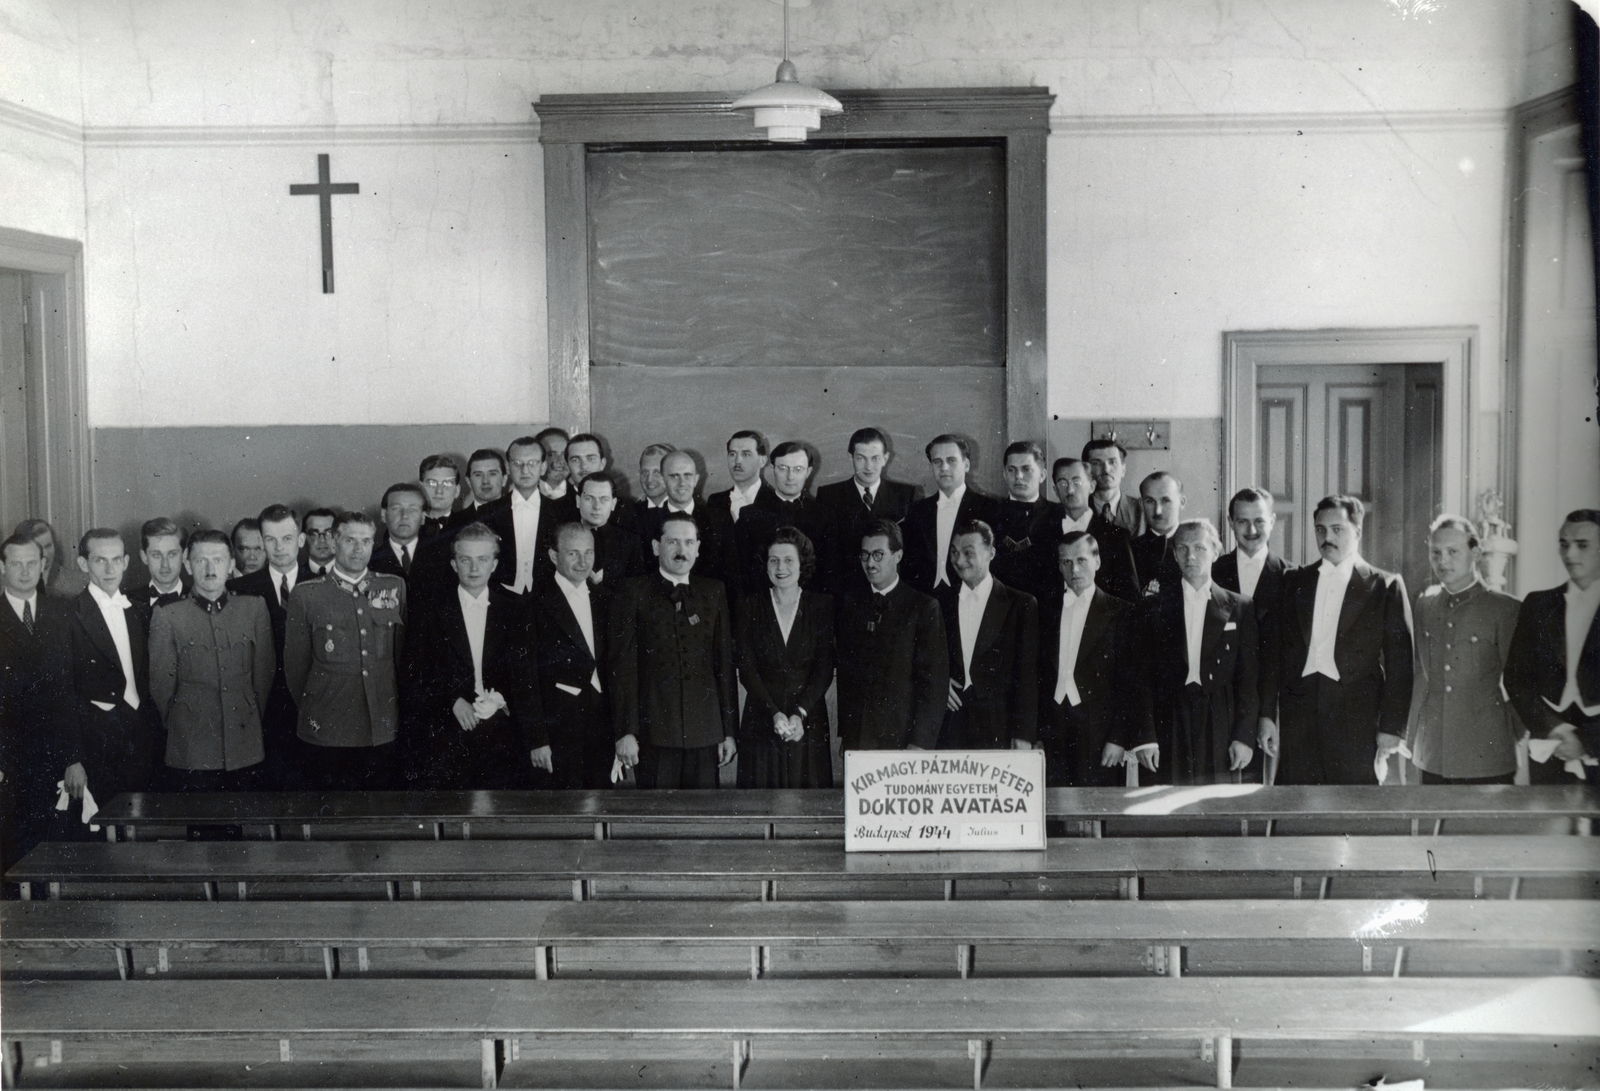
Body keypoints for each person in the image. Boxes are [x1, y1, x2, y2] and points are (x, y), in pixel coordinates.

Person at [1264, 495, 1413, 785]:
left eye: (1337, 529)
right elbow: (1273, 656)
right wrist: (1267, 715)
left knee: (1352, 803)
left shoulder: (1384, 585)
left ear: (1358, 531)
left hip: (1356, 718)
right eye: (1320, 529)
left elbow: (1401, 665)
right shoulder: (1292, 581)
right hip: (1299, 716)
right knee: (1296, 802)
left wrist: (1391, 728)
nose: (1327, 537)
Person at [400, 522, 542, 790]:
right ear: (454, 564)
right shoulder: (430, 610)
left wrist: (501, 699)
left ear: (494, 564)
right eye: (465, 560)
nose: (474, 568)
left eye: (482, 559)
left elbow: (526, 677)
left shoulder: (514, 609)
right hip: (446, 732)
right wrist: (451, 701)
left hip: (501, 732)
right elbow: (413, 673)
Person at [608, 512, 737, 789]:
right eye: (673, 542)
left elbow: (723, 667)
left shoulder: (714, 591)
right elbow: (624, 667)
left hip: (705, 733)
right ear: (656, 547)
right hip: (653, 734)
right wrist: (626, 731)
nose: (682, 550)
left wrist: (728, 732)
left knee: (704, 813)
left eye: (689, 543)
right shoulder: (633, 591)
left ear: (698, 548)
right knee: (656, 813)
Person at [282, 511, 407, 790]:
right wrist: (317, 708)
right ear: (334, 542)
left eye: (366, 541)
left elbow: (400, 656)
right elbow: (296, 667)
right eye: (350, 540)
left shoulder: (393, 586)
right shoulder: (306, 594)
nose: (358, 549)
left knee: (380, 804)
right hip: (328, 723)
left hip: (380, 721)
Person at [147, 530, 274, 791]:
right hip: (192, 746)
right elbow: (161, 687)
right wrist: (182, 725)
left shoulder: (254, 608)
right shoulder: (168, 615)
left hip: (244, 741)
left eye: (218, 560)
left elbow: (263, 676)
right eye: (201, 560)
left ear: (231, 564)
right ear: (188, 565)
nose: (209, 568)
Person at [1405, 515, 1521, 785]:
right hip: (1433, 751)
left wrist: (1509, 734)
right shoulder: (1425, 605)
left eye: (1452, 552)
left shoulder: (1504, 609)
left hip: (1486, 752)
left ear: (1476, 553)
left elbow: (1522, 684)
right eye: (1435, 552)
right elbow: (1421, 677)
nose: (1442, 561)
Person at [1143, 519, 1258, 785]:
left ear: (1216, 552)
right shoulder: (1153, 607)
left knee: (1217, 801)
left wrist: (1243, 736)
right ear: (1174, 555)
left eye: (1199, 548)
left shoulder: (1240, 606)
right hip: (1169, 715)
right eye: (1182, 549)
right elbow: (1142, 676)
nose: (1190, 556)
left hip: (1220, 717)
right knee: (1165, 799)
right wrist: (1146, 737)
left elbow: (1248, 680)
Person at [63, 528, 161, 823]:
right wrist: (72, 758)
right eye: (100, 560)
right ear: (83, 564)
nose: (110, 569)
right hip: (97, 746)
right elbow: (62, 692)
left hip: (142, 739)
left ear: (126, 562)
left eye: (116, 560)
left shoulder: (139, 611)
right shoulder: (68, 615)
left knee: (144, 827)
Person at [1037, 531, 1150, 787]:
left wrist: (1118, 738)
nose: (1074, 569)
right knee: (1054, 801)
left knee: (1098, 802)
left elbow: (1131, 683)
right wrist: (1038, 733)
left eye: (1081, 560)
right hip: (1054, 725)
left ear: (1097, 562)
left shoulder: (1121, 612)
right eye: (1066, 562)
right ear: (1059, 566)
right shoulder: (1045, 609)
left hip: (1099, 729)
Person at [1505, 509, 1600, 787]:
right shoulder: (1538, 604)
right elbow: (1516, 678)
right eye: (1564, 544)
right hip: (1551, 744)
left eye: (1582, 545)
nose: (1570, 554)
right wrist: (1553, 728)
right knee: (1549, 814)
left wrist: (1586, 742)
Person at [834, 519, 948, 751]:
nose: (870, 563)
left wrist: (920, 743)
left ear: (898, 556)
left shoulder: (923, 607)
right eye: (865, 555)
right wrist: (848, 736)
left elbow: (933, 684)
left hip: (903, 741)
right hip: (858, 738)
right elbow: (847, 677)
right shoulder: (851, 605)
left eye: (878, 555)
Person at [735, 527, 835, 788]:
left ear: (802, 564)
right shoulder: (749, 606)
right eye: (774, 560)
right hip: (762, 716)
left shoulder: (821, 606)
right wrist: (774, 713)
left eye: (789, 560)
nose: (781, 568)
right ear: (766, 565)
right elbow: (746, 669)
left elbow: (824, 669)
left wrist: (799, 713)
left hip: (807, 719)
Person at [0, 532, 74, 872]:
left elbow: (71, 690)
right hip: (8, 757)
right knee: (11, 851)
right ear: (3, 567)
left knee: (52, 849)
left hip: (53, 754)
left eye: (32, 563)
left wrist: (74, 757)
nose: (25, 571)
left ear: (43, 564)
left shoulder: (61, 613)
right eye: (16, 564)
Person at [1213, 486, 1296, 781]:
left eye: (1259, 521)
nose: (1251, 530)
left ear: (1272, 521)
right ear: (1230, 522)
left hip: (1271, 706)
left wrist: (1267, 713)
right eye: (1242, 521)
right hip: (1221, 705)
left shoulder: (1291, 577)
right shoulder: (1213, 572)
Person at [227, 504, 311, 789]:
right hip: (262, 706)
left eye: (287, 538)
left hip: (312, 703)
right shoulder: (241, 589)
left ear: (301, 539)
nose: (279, 547)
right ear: (262, 542)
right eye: (271, 539)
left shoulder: (321, 584)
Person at [935, 521, 1038, 750]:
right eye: (954, 552)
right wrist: (939, 682)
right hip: (949, 725)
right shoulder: (939, 602)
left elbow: (1027, 675)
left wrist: (1023, 733)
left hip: (1000, 726)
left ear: (991, 553)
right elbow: (926, 658)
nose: (959, 560)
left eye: (968, 553)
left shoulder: (1021, 604)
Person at [531, 523, 614, 789]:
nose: (583, 562)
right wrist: (537, 739)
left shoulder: (607, 600)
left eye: (588, 553)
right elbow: (525, 680)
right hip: (557, 728)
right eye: (573, 553)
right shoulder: (532, 604)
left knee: (601, 802)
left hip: (602, 724)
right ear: (553, 556)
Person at [815, 427, 923, 597]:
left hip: (891, 594)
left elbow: (912, 555)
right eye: (861, 458)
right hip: (844, 595)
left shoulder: (905, 495)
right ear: (850, 457)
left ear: (885, 458)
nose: (868, 466)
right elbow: (825, 557)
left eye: (875, 458)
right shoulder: (829, 496)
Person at [902, 434, 997, 593]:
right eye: (937, 462)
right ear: (931, 467)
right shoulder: (917, 510)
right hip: (926, 598)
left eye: (951, 460)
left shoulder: (989, 508)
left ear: (966, 465)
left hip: (971, 596)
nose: (944, 467)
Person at [1051, 457, 1139, 602]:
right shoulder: (1044, 533)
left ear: (1092, 486)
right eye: (1063, 483)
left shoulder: (1116, 536)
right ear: (1055, 490)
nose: (1070, 490)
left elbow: (1129, 597)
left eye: (1077, 482)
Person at [637, 450, 731, 585]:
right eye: (674, 476)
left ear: (696, 479)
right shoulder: (644, 522)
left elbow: (732, 576)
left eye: (687, 475)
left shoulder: (719, 520)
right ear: (663, 480)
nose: (682, 483)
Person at [483, 436, 561, 594]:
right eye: (517, 463)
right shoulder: (488, 512)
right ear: (508, 467)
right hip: (501, 596)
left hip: (548, 595)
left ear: (543, 467)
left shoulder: (561, 512)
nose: (525, 470)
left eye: (532, 463)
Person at [708, 430, 778, 599]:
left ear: (762, 460)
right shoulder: (715, 501)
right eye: (732, 454)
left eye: (746, 454)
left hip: (762, 599)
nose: (737, 461)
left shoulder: (775, 503)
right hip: (721, 599)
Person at [753, 440, 832, 589]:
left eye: (798, 469)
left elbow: (828, 573)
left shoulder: (824, 516)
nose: (790, 477)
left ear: (808, 472)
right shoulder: (750, 515)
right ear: (773, 469)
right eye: (783, 468)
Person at [989, 441, 1061, 603]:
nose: (1018, 476)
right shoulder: (990, 514)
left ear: (1042, 475)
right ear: (1004, 474)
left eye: (1026, 469)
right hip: (1000, 606)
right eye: (1011, 470)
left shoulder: (1058, 515)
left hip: (1046, 607)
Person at [577, 471, 644, 586]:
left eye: (604, 499)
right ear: (578, 501)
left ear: (613, 504)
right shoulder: (561, 537)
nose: (596, 506)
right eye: (589, 498)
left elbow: (637, 587)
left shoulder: (630, 542)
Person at [1131, 472, 1184, 595]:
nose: (1157, 511)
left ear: (1182, 502)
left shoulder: (1202, 546)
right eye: (1150, 501)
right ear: (1141, 504)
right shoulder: (1130, 550)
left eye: (1165, 501)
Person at [1083, 438, 1144, 538]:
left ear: (1123, 470)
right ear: (1086, 472)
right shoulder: (1076, 509)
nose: (1106, 469)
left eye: (1112, 462)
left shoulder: (1141, 511)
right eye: (1096, 463)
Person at [13, 519, 88, 599]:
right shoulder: (11, 583)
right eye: (38, 548)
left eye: (48, 546)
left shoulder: (75, 583)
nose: (45, 554)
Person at [370, 483, 427, 580]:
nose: (404, 515)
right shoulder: (369, 561)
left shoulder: (441, 559)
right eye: (396, 508)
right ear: (384, 515)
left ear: (423, 517)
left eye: (412, 509)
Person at [130, 517, 189, 609]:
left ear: (184, 555)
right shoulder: (126, 602)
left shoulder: (198, 601)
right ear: (144, 557)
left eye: (172, 554)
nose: (165, 564)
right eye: (156, 555)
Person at [622, 442, 674, 533]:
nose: (649, 480)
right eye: (645, 472)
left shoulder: (686, 511)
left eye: (657, 472)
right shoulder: (628, 514)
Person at [454, 448, 508, 523]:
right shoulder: (455, 523)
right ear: (469, 481)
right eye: (478, 475)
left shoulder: (519, 516)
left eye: (492, 474)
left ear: (504, 479)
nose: (485, 481)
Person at [418, 454, 463, 540]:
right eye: (432, 483)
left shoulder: (468, 526)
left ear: (457, 491)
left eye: (447, 484)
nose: (439, 491)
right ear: (420, 488)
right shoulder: (405, 525)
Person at [535, 426, 572, 505]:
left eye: (564, 454)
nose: (560, 461)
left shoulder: (581, 496)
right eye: (551, 455)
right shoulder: (523, 497)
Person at [301, 508, 340, 577]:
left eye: (329, 533)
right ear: (303, 538)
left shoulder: (351, 575)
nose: (322, 540)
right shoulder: (292, 577)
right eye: (314, 533)